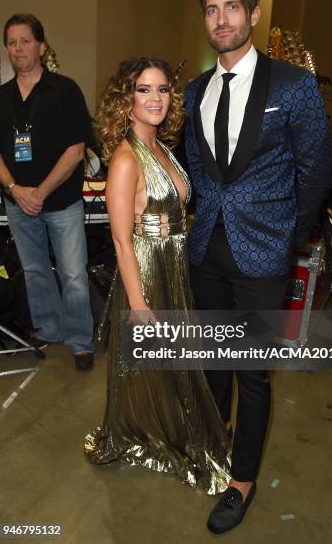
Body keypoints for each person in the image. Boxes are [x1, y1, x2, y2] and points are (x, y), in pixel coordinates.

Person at [184, 0, 332, 534]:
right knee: (215, 360)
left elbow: (314, 171)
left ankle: (241, 481)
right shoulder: (196, 89)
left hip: (265, 253)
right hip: (208, 251)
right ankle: (216, 440)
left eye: (230, 8)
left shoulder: (292, 86)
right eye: (210, 9)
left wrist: (287, 240)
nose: (220, 19)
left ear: (252, 14)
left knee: (252, 372)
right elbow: (199, 166)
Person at [84, 57, 230, 494]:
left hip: (175, 263)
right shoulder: (127, 159)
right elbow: (121, 239)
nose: (154, 98)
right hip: (146, 269)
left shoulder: (163, 149)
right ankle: (142, 432)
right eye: (143, 89)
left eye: (162, 89)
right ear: (125, 99)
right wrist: (139, 304)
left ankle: (170, 424)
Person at [0, 13, 94, 371]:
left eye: (24, 41)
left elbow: (76, 150)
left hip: (61, 201)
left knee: (72, 273)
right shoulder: (0, 97)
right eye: (11, 42)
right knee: (35, 271)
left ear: (41, 45)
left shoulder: (65, 91)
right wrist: (16, 189)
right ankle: (48, 328)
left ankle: (81, 342)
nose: (17, 49)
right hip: (18, 201)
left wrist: (39, 191)